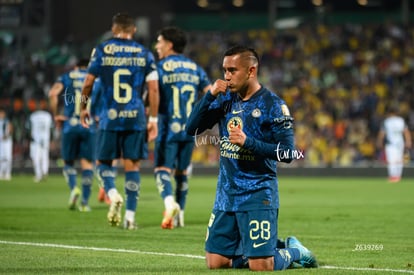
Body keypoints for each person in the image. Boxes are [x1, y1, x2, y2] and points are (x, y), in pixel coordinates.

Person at [186, 45, 317, 271]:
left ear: (251, 71)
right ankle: (262, 248)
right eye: (224, 70)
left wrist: (248, 142)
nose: (226, 76)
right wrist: (209, 95)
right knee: (215, 263)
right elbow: (191, 128)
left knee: (261, 267)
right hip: (226, 193)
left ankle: (295, 251)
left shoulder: (273, 106)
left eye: (232, 70)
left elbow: (289, 153)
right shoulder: (224, 100)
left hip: (258, 193)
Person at [79, 12, 159, 230]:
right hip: (136, 118)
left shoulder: (102, 50)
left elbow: (87, 83)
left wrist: (83, 107)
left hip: (109, 117)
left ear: (113, 30)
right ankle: (130, 217)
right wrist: (153, 118)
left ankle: (113, 193)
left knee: (103, 163)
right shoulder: (145, 53)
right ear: (133, 30)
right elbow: (153, 89)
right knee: (132, 166)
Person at [153, 26, 212, 229]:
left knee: (162, 169)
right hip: (189, 128)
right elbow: (210, 94)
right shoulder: (195, 68)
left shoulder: (159, 67)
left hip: (167, 127)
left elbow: (152, 94)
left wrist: (151, 119)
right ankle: (181, 215)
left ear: (169, 44)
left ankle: (170, 204)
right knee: (182, 172)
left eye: (159, 41)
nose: (156, 46)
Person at [49, 58, 98, 211]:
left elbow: (53, 94)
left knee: (68, 162)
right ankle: (84, 202)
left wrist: (56, 114)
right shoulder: (94, 78)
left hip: (70, 124)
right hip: (88, 125)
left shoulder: (67, 76)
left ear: (75, 66)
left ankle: (73, 189)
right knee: (87, 163)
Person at [376, 105, 412, 183]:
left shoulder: (387, 121)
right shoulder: (401, 120)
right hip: (400, 142)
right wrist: (408, 141)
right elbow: (406, 132)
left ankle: (393, 176)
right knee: (399, 159)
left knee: (391, 160)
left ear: (389, 113)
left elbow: (382, 133)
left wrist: (379, 142)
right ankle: (398, 176)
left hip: (390, 143)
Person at [27, 102, 53, 183]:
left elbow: (28, 128)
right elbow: (52, 128)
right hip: (45, 139)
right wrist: (51, 139)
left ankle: (38, 175)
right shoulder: (48, 115)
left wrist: (29, 137)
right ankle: (45, 172)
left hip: (36, 140)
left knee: (36, 158)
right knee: (44, 157)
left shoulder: (33, 116)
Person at [0, 108, 13, 181]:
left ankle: (8, 173)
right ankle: (1, 173)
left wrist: (7, 135)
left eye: (1, 113)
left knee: (7, 158)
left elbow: (11, 128)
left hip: (7, 141)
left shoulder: (6, 121)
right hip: (0, 141)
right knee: (1, 158)